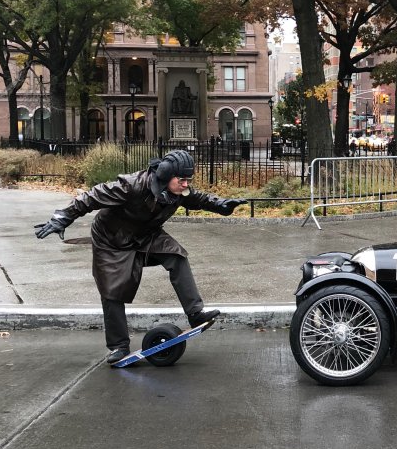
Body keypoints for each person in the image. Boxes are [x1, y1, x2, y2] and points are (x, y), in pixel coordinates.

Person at [34, 150, 246, 365]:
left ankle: (195, 313)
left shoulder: (178, 191)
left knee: (177, 256)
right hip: (111, 241)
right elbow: (91, 197)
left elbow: (197, 198)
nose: (185, 185)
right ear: (165, 176)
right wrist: (62, 217)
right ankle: (118, 346)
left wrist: (220, 204)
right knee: (112, 291)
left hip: (146, 235)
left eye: (188, 180)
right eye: (181, 180)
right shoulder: (131, 185)